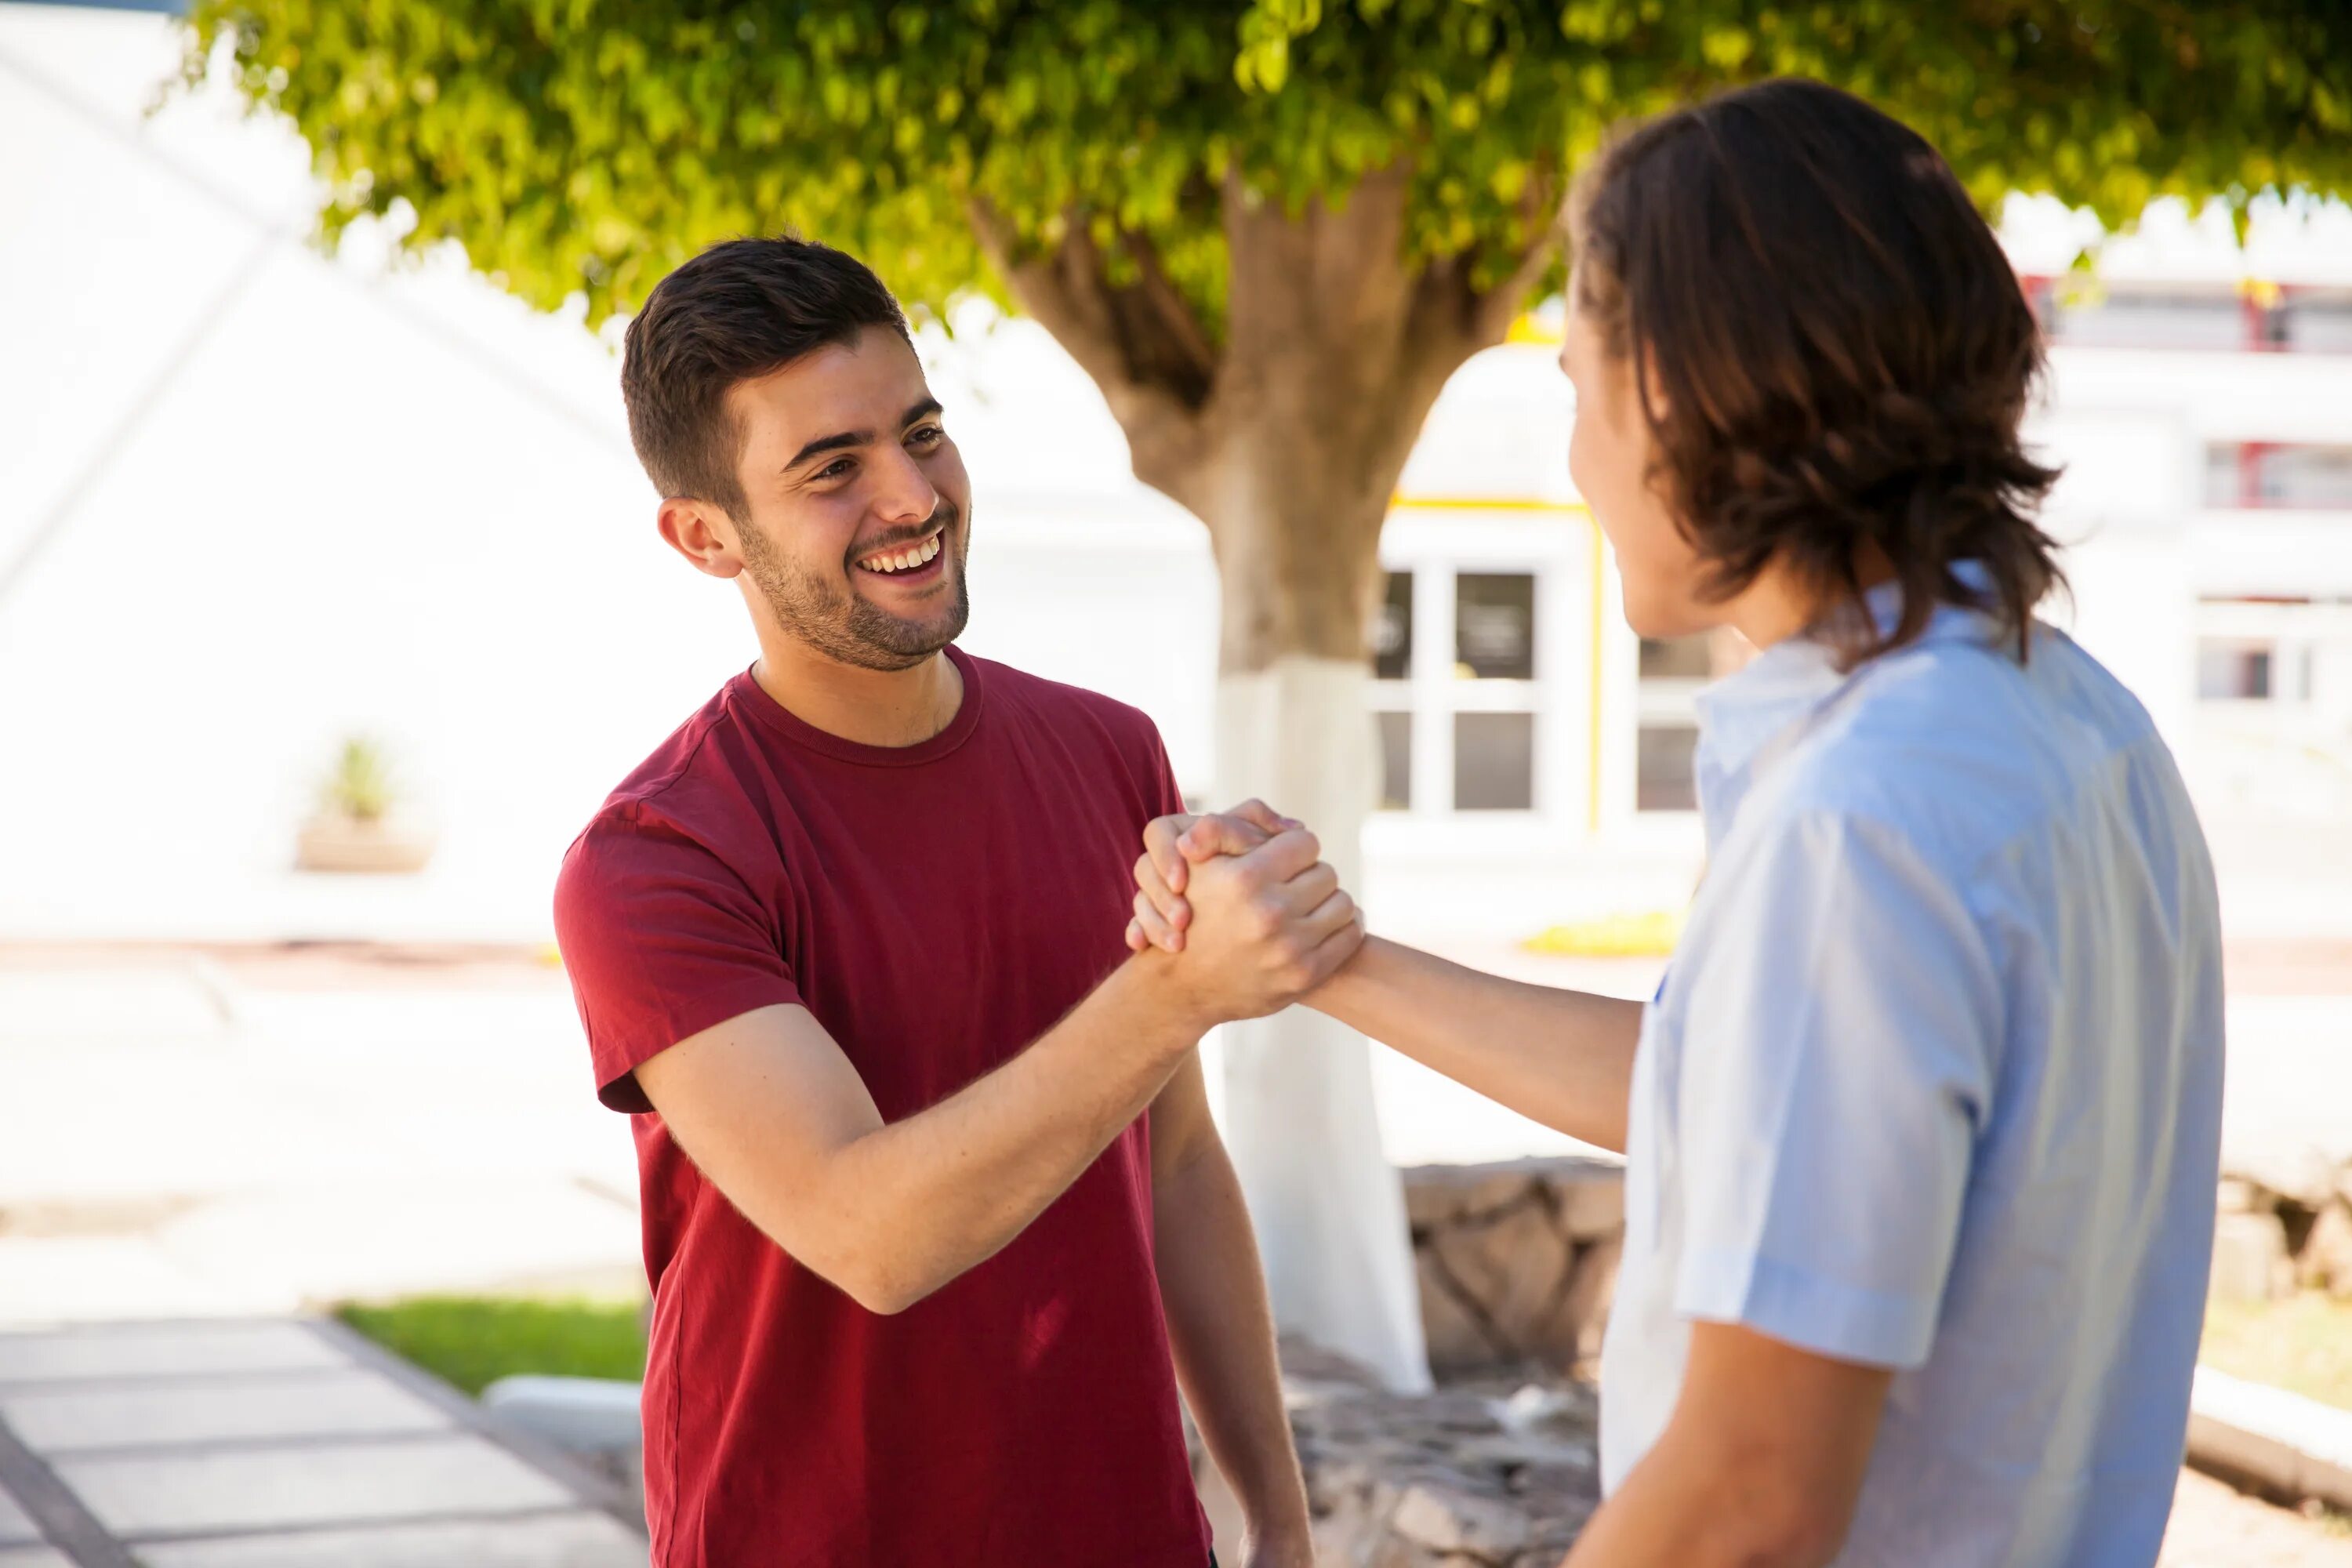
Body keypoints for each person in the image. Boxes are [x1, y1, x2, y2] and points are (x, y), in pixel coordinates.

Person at [1131, 79, 2224, 1568]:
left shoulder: (1864, 815)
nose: (1573, 461)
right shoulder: (2074, 725)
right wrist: (1329, 955)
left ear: (1682, 388)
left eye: (1576, 383)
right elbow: (1720, 1093)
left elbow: (1749, 1498)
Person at [553, 236, 1352, 1568]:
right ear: (705, 537)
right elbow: (872, 1234)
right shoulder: (654, 860)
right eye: (834, 469)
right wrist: (1174, 993)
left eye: (921, 435)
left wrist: (1274, 1517)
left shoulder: (1111, 753)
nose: (912, 496)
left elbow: (1183, 1163)